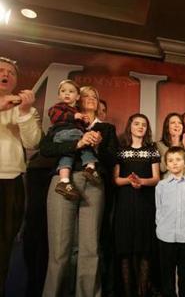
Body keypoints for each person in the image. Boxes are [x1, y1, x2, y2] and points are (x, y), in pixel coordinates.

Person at [41, 85, 118, 297]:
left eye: (95, 95)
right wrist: (77, 143)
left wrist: (99, 146)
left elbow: (113, 160)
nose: (91, 98)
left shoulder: (106, 128)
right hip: (63, 180)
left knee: (90, 247)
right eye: (86, 95)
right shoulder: (62, 122)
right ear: (76, 100)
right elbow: (46, 149)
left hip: (93, 183)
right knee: (59, 247)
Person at [0, 57, 42, 297]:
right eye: (1, 71)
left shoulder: (24, 108)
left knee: (5, 245)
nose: (6, 75)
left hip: (11, 180)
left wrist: (24, 112)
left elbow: (33, 142)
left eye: (11, 73)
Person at [114, 113, 161, 297]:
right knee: (126, 249)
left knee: (144, 248)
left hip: (145, 203)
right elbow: (116, 180)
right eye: (136, 123)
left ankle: (143, 292)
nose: (140, 127)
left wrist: (142, 181)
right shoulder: (120, 150)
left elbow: (156, 178)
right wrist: (128, 180)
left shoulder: (152, 149)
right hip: (125, 203)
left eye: (144, 124)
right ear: (130, 127)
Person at [47, 79, 100, 201]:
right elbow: (54, 115)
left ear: (76, 97)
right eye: (63, 91)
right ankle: (90, 167)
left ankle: (64, 181)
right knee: (86, 145)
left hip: (70, 136)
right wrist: (74, 117)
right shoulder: (59, 107)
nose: (66, 94)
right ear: (59, 95)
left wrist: (83, 121)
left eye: (70, 91)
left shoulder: (77, 113)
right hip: (66, 134)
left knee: (67, 155)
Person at [156, 146, 185, 297]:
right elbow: (159, 209)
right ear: (166, 164)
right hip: (166, 236)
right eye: (170, 160)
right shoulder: (161, 186)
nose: (174, 163)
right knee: (167, 272)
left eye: (178, 160)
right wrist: (161, 228)